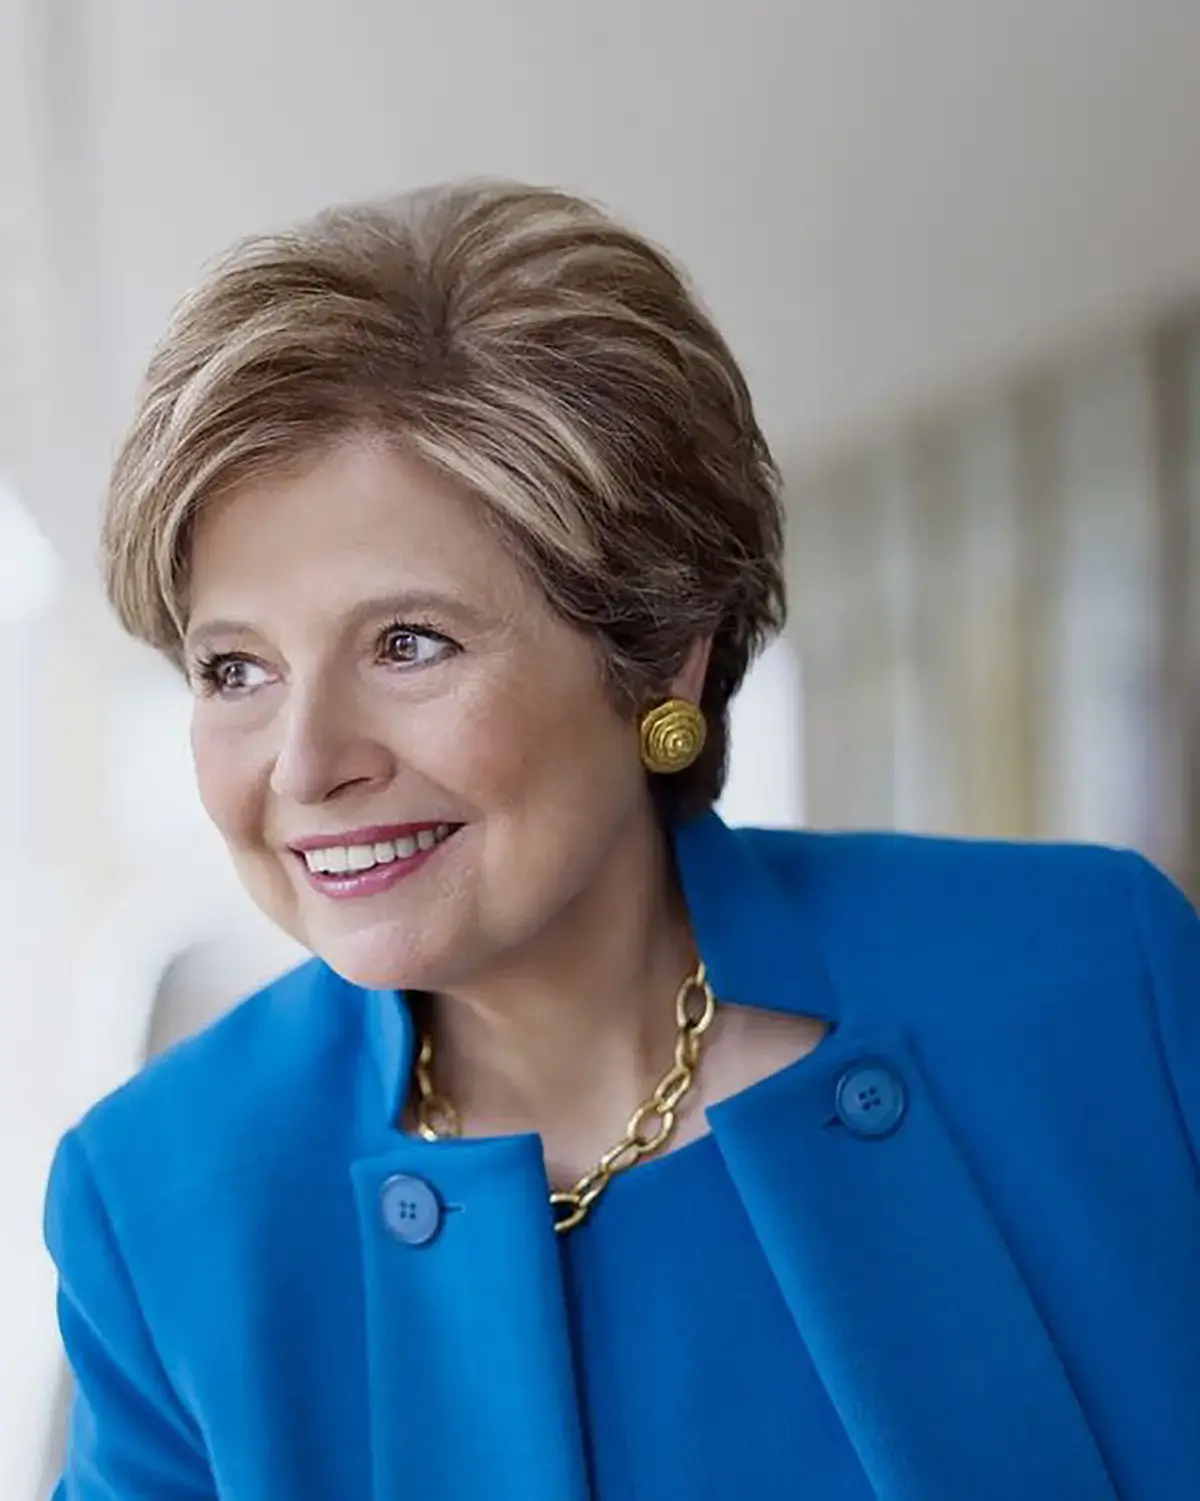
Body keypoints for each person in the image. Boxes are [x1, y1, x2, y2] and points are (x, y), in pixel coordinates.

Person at [45, 180, 1200, 1501]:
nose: (307, 764)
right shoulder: (162, 1206)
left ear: (664, 657)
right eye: (234, 669)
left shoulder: (1099, 987)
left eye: (408, 644)